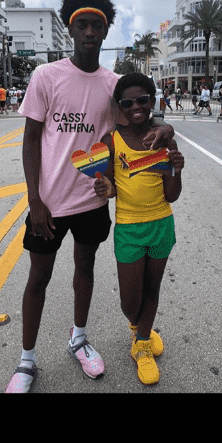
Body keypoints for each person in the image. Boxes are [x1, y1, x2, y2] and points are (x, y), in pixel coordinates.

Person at [5, 0, 175, 393]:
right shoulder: (46, 76)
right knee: (38, 279)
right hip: (49, 204)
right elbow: (31, 141)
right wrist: (34, 199)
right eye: (81, 25)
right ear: (71, 29)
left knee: (85, 272)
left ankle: (78, 339)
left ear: (104, 30)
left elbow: (141, 121)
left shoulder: (113, 84)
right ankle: (26, 363)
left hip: (92, 202)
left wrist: (166, 128)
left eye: (96, 25)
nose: (89, 33)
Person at [94, 73, 184, 385]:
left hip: (161, 224)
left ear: (152, 101)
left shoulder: (163, 137)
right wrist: (105, 187)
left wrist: (177, 168)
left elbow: (172, 194)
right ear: (119, 106)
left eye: (142, 100)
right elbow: (111, 187)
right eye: (128, 102)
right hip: (129, 229)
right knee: (129, 301)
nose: (136, 107)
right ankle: (138, 326)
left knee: (153, 289)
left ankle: (142, 346)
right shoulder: (112, 140)